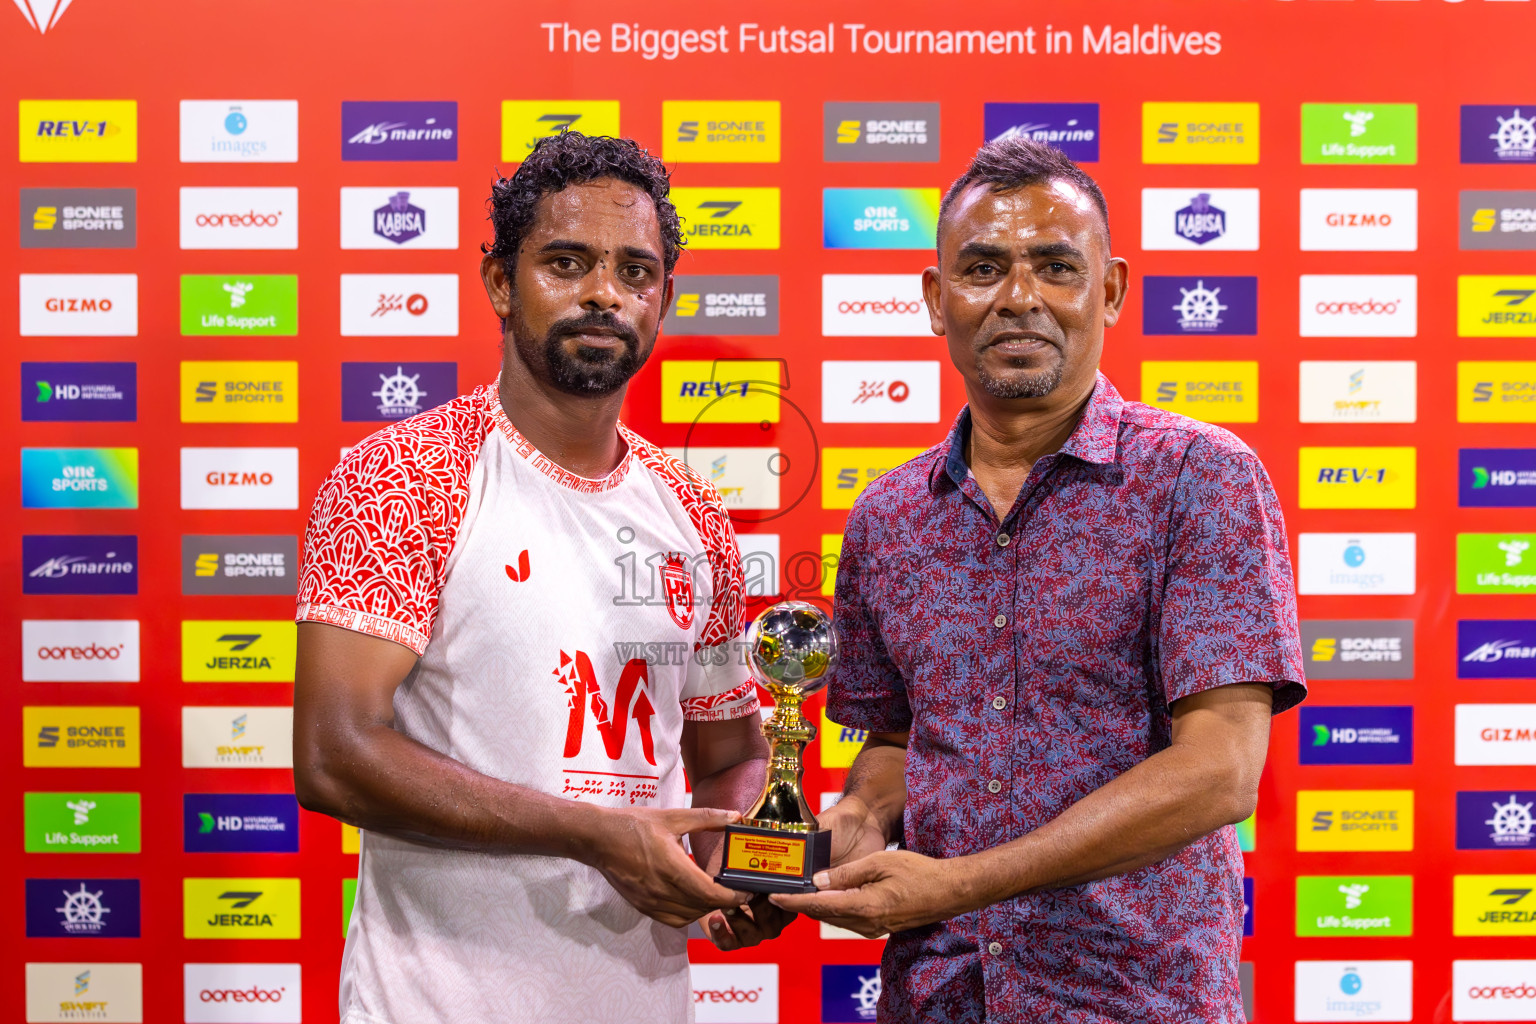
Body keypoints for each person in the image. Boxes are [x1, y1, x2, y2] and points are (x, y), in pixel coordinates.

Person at [774, 136, 1306, 1022]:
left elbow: (1220, 772)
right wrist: (841, 834)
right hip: (938, 997)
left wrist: (954, 887)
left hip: (1133, 999)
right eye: (983, 268)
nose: (1018, 299)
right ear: (936, 301)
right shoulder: (887, 518)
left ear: (1110, 289)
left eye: (1055, 266)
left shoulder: (1198, 478)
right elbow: (902, 748)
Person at [291, 131, 789, 1024]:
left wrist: (729, 860)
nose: (605, 292)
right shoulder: (406, 478)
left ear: (664, 299)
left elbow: (735, 752)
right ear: (498, 282)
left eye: (635, 273)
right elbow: (333, 756)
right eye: (567, 262)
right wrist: (599, 835)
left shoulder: (693, 515)